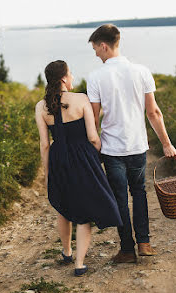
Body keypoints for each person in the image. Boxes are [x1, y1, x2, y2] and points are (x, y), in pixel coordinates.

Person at [86, 24, 176, 263]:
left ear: (104, 46)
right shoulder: (142, 71)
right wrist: (166, 144)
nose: (96, 53)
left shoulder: (96, 77)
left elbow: (94, 119)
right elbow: (154, 112)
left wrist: (93, 146)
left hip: (112, 149)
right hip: (137, 145)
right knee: (139, 193)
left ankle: (127, 249)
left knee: (120, 197)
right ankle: (144, 243)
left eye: (96, 48)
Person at [35, 60, 122, 276]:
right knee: (83, 213)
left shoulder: (41, 106)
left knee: (63, 208)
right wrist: (100, 154)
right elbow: (93, 137)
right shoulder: (81, 99)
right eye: (70, 73)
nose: (72, 77)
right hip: (82, 158)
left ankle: (66, 252)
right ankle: (79, 264)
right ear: (64, 78)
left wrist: (47, 172)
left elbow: (44, 144)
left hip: (58, 158)